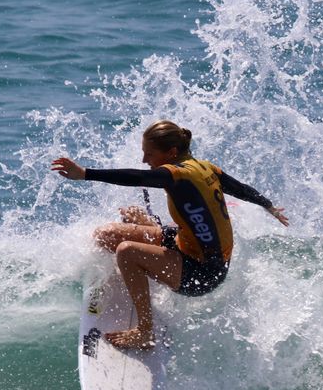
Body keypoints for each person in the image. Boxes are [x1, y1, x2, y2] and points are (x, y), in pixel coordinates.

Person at [51, 120, 289, 350]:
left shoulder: (177, 174)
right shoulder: (205, 167)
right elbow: (240, 189)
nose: (145, 160)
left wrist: (85, 173)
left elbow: (136, 177)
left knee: (126, 251)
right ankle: (145, 256)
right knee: (106, 235)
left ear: (172, 152)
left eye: (150, 154)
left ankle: (144, 331)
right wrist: (268, 206)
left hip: (203, 272)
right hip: (183, 242)